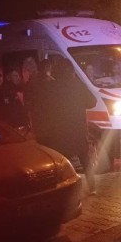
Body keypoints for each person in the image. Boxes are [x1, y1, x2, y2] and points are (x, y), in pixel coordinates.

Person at [40, 58, 98, 194]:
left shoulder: (51, 87)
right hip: (77, 128)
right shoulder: (77, 84)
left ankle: (66, 189)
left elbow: (45, 107)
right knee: (85, 159)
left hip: (59, 130)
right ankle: (92, 187)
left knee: (63, 161)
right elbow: (92, 102)